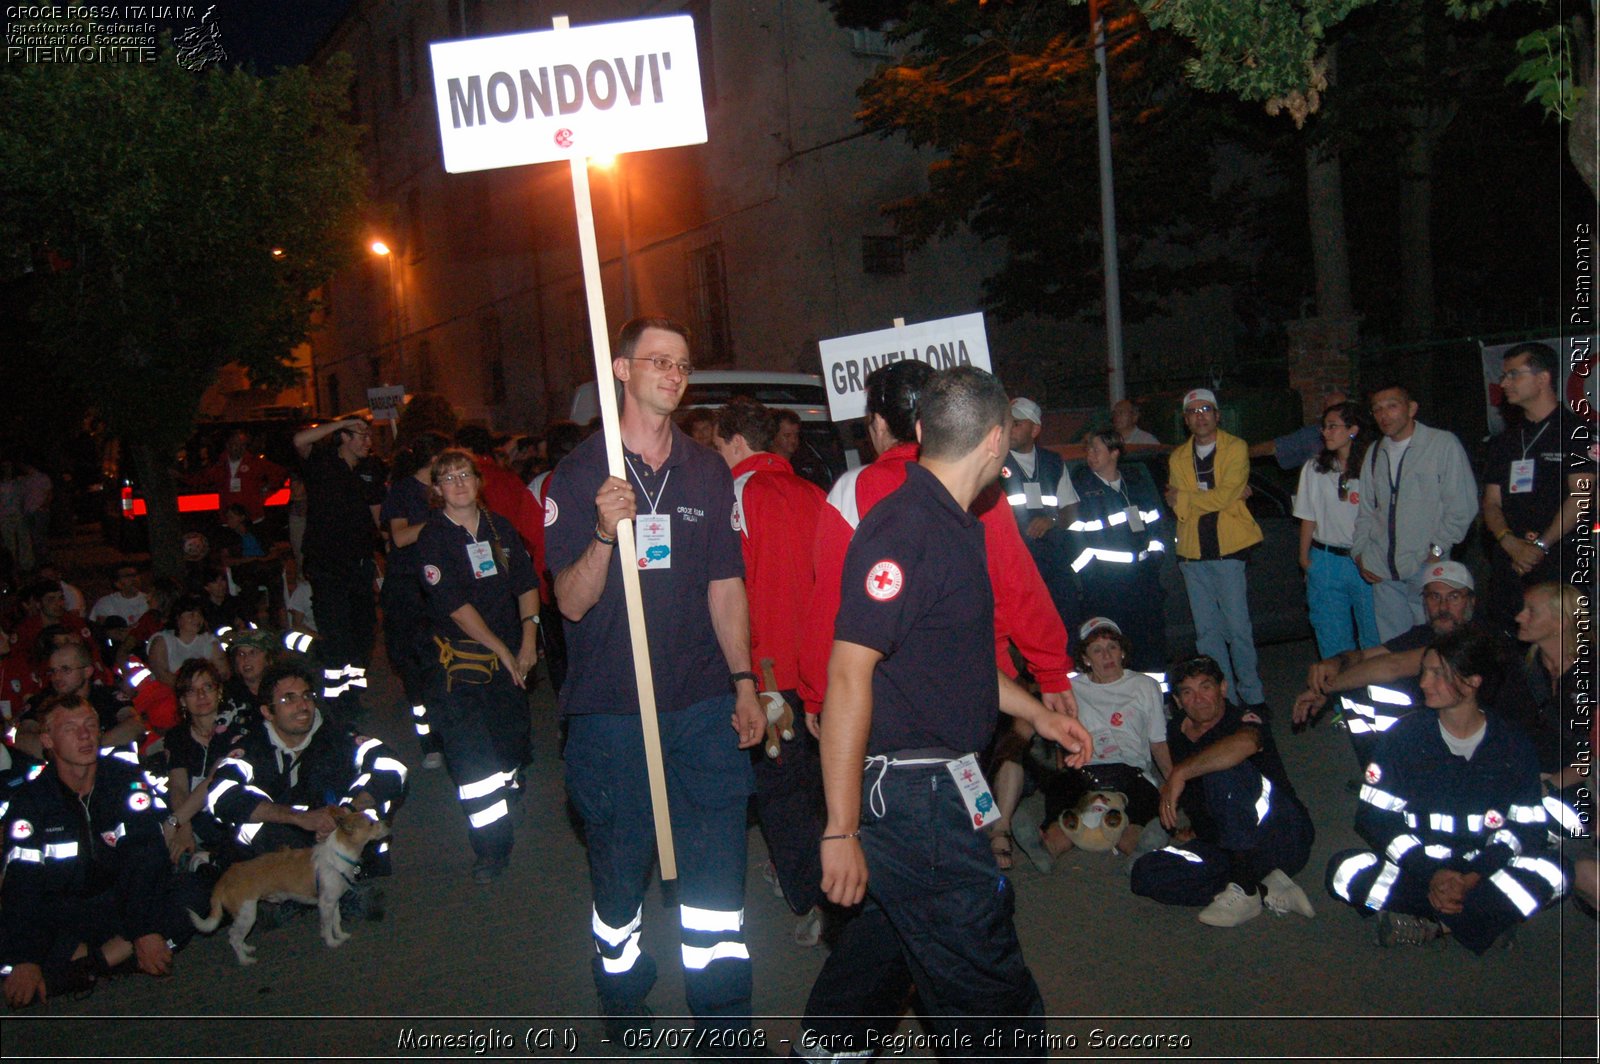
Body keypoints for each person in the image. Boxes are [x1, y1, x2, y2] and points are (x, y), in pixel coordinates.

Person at [796, 367, 1094, 1059]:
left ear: (923, 430)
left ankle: (827, 1048)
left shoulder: (961, 521)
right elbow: (847, 673)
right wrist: (840, 828)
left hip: (943, 780)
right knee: (987, 986)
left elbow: (958, 661)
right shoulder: (902, 528)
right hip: (913, 794)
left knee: (894, 939)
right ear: (997, 441)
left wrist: (1040, 714)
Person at [545, 316, 764, 1041]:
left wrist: (742, 681)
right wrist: (605, 534)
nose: (673, 374)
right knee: (618, 871)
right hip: (612, 712)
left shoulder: (707, 471)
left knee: (716, 882)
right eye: (658, 361)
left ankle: (725, 1022)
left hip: (702, 703)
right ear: (621, 369)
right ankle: (623, 992)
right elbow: (570, 602)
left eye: (682, 363)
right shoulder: (579, 476)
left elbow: (726, 584)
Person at [1325, 630, 1566, 950]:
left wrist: (1475, 874)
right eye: (1425, 671)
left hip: (1484, 868)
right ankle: (1486, 919)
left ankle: (1435, 924)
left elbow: (1526, 826)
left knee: (1559, 873)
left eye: (1438, 673)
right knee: (1344, 871)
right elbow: (1374, 818)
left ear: (1472, 681)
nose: (1424, 682)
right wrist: (1432, 873)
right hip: (1417, 866)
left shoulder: (1511, 743)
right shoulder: (1404, 737)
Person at [0, 694, 208, 1007]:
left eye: (90, 725)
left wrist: (144, 929)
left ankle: (85, 967)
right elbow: (22, 882)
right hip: (65, 910)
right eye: (70, 729)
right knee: (12, 953)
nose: (85, 736)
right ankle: (111, 958)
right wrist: (26, 958)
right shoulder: (31, 802)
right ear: (48, 740)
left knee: (196, 895)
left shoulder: (125, 780)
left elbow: (146, 859)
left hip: (122, 901)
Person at [711, 398, 828, 943]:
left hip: (767, 675)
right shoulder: (816, 493)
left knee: (782, 793)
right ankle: (820, 870)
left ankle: (809, 896)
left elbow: (724, 588)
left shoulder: (732, 496)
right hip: (822, 672)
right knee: (822, 783)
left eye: (717, 446)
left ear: (735, 442)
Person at [416, 448, 539, 883]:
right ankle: (491, 850)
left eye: (464, 475)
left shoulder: (498, 527)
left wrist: (528, 637)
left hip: (509, 665)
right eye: (447, 478)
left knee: (510, 747)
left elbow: (526, 584)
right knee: (474, 766)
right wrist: (502, 650)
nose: (459, 484)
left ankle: (509, 782)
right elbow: (455, 607)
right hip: (461, 670)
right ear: (437, 490)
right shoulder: (433, 540)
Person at [1130, 655, 1317, 927]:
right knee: (1146, 873)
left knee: (1222, 769)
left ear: (1223, 688)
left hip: (1281, 833)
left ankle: (1243, 888)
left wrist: (1180, 772)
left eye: (1206, 687)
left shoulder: (1245, 719)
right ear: (1178, 702)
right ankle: (1264, 888)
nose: (1199, 698)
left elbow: (1245, 744)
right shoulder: (1177, 730)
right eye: (1188, 692)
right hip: (1225, 844)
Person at [1291, 561, 1499, 767]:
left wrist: (1328, 688)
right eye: (1434, 597)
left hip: (1487, 739)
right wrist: (1337, 662)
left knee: (1372, 685)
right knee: (1359, 695)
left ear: (1471, 601)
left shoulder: (1477, 636)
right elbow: (1367, 656)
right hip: (1442, 730)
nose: (1443, 607)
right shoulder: (1425, 633)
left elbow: (1395, 665)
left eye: (1453, 597)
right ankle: (1380, 772)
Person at [205, 659, 407, 869]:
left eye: (307, 696)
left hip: (342, 845)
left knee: (380, 785)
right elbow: (219, 793)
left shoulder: (338, 737)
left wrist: (346, 812)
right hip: (279, 854)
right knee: (243, 817)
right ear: (267, 712)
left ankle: (358, 876)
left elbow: (392, 765)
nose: (302, 705)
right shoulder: (252, 746)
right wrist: (300, 818)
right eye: (288, 699)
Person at [1017, 618, 1172, 868]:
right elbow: (1059, 732)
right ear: (1086, 658)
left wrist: (1172, 785)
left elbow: (1158, 742)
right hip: (1085, 769)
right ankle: (1044, 847)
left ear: (1122, 651)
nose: (1107, 655)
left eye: (1112, 647)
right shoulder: (1072, 688)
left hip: (1130, 770)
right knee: (1065, 817)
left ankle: (1142, 853)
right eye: (1097, 650)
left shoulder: (1145, 686)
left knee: (1131, 828)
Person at [1350, 380, 1477, 642]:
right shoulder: (1375, 452)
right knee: (1393, 649)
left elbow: (1462, 506)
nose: (1384, 415)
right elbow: (1367, 509)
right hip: (1383, 571)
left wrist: (1436, 551)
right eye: (1377, 409)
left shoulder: (1441, 444)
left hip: (1426, 566)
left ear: (1411, 408)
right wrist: (1360, 553)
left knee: (1434, 643)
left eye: (1392, 406)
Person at [1480, 342, 1595, 631]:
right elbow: (1491, 502)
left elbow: (1581, 496)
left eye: (1513, 375)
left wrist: (1541, 545)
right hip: (1511, 562)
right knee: (1506, 648)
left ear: (1543, 378)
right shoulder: (1504, 440)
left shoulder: (1575, 432)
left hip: (1558, 561)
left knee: (1561, 645)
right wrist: (1509, 542)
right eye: (1503, 375)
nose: (1504, 383)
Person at [1166, 388, 1267, 710]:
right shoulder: (1178, 457)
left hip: (1229, 552)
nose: (1200, 415)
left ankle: (1253, 697)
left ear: (1217, 415)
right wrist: (1210, 499)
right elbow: (1212, 499)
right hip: (1193, 554)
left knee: (1238, 630)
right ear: (1186, 420)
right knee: (1207, 635)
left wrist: (1185, 499)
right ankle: (1225, 701)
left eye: (1206, 409)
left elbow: (1224, 496)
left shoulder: (1235, 448)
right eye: (1193, 411)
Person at [292, 418, 386, 718]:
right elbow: (300, 441)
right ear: (343, 437)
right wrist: (342, 423)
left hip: (359, 565)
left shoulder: (370, 470)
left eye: (369, 436)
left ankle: (354, 691)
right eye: (360, 435)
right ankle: (335, 700)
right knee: (337, 633)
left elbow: (377, 516)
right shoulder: (322, 463)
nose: (367, 441)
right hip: (327, 566)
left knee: (363, 633)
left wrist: (387, 548)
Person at [1510, 583, 1594, 883]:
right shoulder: (1525, 668)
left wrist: (1552, 784)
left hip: (1572, 787)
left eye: (1531, 611)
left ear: (1560, 622)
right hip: (1525, 775)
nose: (1519, 617)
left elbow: (1594, 758)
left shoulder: (1591, 675)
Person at [1066, 428, 1168, 668]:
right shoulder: (1080, 490)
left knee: (1148, 643)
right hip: (1105, 587)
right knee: (1110, 649)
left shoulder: (1135, 485)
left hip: (1143, 582)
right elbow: (1074, 538)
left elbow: (1155, 524)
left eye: (1096, 449)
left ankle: (1155, 700)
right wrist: (1090, 575)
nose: (1090, 455)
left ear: (1114, 453)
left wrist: (1154, 558)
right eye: (1088, 449)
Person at [381, 431, 450, 771]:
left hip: (439, 588)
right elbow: (399, 536)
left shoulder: (444, 490)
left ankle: (449, 731)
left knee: (444, 662)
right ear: (433, 459)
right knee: (415, 668)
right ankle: (429, 741)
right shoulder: (403, 491)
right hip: (408, 591)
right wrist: (439, 523)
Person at [1293, 400, 1380, 658]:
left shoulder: (1373, 466)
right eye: (1324, 427)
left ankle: (1375, 692)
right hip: (1327, 557)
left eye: (1333, 426)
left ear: (1353, 429)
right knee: (1331, 636)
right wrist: (1305, 559)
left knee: (1373, 634)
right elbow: (1308, 515)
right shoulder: (1315, 468)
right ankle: (1338, 694)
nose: (1326, 433)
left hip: (1365, 558)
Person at [1001, 396, 1081, 627]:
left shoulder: (1052, 462)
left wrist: (1052, 520)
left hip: (1052, 561)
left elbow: (1071, 508)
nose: (1010, 429)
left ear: (1035, 429)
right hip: (1015, 562)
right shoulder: (995, 461)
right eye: (1008, 423)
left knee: (1063, 622)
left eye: (1017, 424)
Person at [160, 659, 236, 871]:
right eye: (192, 691)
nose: (201, 696)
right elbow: (178, 786)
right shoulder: (178, 736)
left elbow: (213, 780)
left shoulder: (233, 730)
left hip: (225, 815)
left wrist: (175, 822)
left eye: (207, 688)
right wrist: (183, 827)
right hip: (189, 817)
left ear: (219, 691)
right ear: (183, 700)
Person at [186, 427, 287, 524]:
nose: (239, 448)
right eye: (236, 444)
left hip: (253, 517)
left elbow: (280, 473)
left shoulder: (255, 463)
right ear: (228, 445)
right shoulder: (219, 465)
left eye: (243, 445)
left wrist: (267, 490)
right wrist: (180, 477)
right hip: (229, 520)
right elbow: (200, 480)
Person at [1250, 390, 1347, 470]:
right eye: (1328, 408)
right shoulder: (1312, 435)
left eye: (1338, 409)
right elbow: (1276, 446)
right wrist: (1240, 452)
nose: (1332, 414)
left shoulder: (1358, 443)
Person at [146, 594, 228, 689]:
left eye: (199, 615)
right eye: (191, 615)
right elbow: (161, 674)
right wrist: (189, 689)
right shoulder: (162, 641)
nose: (197, 619)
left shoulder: (209, 641)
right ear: (178, 617)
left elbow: (223, 672)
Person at [90, 564, 149, 630]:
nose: (134, 579)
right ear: (117, 583)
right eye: (128, 576)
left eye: (135, 575)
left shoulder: (149, 601)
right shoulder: (105, 603)